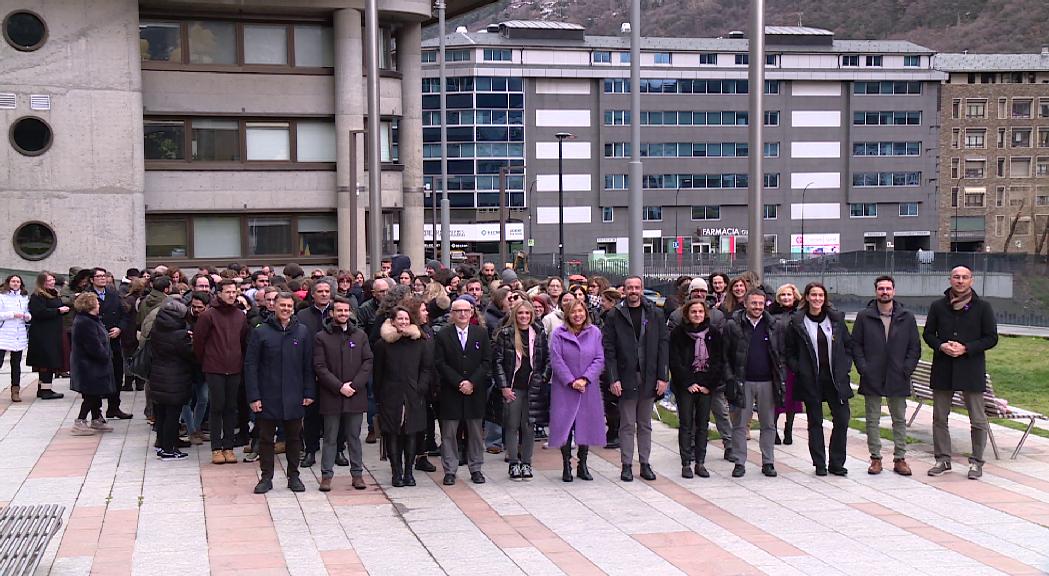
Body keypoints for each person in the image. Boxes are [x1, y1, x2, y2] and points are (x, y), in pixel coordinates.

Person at [923, 265, 998, 480]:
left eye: (965, 277)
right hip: (944, 368)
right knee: (939, 417)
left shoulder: (983, 307)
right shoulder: (938, 306)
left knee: (977, 418)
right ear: (950, 280)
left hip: (970, 368)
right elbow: (928, 334)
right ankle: (942, 459)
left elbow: (991, 337)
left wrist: (966, 348)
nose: (960, 281)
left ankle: (976, 461)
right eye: (956, 277)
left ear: (971, 281)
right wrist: (941, 346)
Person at [245, 292, 315, 494]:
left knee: (294, 438)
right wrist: (254, 396)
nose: (285, 309)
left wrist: (309, 391)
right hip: (267, 396)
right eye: (282, 305)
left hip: (294, 395)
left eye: (289, 306)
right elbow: (251, 366)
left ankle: (294, 476)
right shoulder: (261, 332)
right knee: (266, 439)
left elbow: (308, 365)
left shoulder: (302, 332)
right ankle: (266, 477)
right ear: (274, 306)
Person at [852, 275, 920, 476]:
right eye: (881, 288)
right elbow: (856, 345)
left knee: (899, 419)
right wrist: (863, 368)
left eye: (888, 288)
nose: (885, 292)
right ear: (875, 291)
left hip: (898, 374)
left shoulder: (906, 316)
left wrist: (906, 369)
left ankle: (900, 458)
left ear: (894, 291)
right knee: (872, 419)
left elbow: (914, 347)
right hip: (872, 374)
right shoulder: (864, 316)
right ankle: (875, 458)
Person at [603, 276, 669, 482]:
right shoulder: (614, 315)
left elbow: (662, 346)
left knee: (645, 424)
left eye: (637, 287)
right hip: (625, 376)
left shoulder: (655, 313)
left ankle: (645, 463)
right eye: (630, 288)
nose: (633, 291)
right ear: (624, 290)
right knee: (627, 424)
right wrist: (613, 379)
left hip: (649, 376)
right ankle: (626, 465)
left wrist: (663, 376)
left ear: (642, 289)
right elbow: (609, 350)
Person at [785, 282, 854, 477]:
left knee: (842, 419)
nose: (817, 299)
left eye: (820, 295)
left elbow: (848, 345)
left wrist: (845, 366)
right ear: (806, 297)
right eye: (813, 295)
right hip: (811, 379)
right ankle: (820, 463)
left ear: (825, 298)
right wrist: (799, 369)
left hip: (835, 379)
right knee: (815, 422)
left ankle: (836, 462)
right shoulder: (797, 321)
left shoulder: (836, 319)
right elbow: (789, 351)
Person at [724, 289, 787, 478]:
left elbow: (781, 353)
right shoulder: (733, 325)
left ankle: (768, 462)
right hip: (742, 381)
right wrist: (730, 378)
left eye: (761, 303)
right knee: (740, 425)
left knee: (768, 425)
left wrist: (781, 375)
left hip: (768, 382)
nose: (757, 307)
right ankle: (739, 462)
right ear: (745, 303)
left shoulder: (775, 325)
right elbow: (725, 356)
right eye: (754, 303)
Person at [313, 296, 374, 491]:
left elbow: (368, 362)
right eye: (339, 311)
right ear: (331, 313)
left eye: (346, 311)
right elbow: (320, 367)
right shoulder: (321, 337)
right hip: (332, 395)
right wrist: (339, 386)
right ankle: (326, 476)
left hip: (355, 395)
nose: (343, 314)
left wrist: (354, 385)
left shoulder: (360, 336)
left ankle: (357, 474)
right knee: (330, 437)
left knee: (354, 437)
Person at [434, 296, 491, 485]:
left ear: (472, 312)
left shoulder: (481, 333)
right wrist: (459, 382)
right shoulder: (443, 335)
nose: (463, 314)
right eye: (458, 311)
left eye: (466, 310)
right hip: (451, 391)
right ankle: (450, 469)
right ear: (452, 313)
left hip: (475, 392)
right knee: (449, 433)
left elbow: (486, 362)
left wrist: (472, 382)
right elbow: (440, 363)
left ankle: (476, 468)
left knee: (475, 433)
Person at [373, 306, 433, 487]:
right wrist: (379, 396)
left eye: (407, 319)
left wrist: (420, 388)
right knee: (392, 434)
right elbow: (378, 373)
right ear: (392, 321)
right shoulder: (382, 345)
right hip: (391, 395)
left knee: (412, 434)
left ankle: (409, 472)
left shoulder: (420, 342)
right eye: (400, 319)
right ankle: (396, 472)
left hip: (414, 395)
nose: (404, 322)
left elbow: (426, 368)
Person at [193, 279, 249, 465]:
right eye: (228, 292)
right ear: (219, 293)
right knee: (217, 407)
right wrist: (208, 360)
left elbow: (243, 340)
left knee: (231, 408)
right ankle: (216, 448)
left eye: (234, 292)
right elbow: (198, 343)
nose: (232, 295)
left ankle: (229, 447)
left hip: (234, 368)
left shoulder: (240, 315)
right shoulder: (208, 315)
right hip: (214, 368)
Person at [549, 298, 605, 482]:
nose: (577, 315)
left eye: (580, 311)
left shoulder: (594, 332)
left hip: (588, 387)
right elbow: (556, 360)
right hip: (565, 387)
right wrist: (571, 381)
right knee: (566, 426)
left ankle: (583, 464)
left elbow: (599, 359)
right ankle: (566, 464)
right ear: (567, 315)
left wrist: (585, 379)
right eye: (573, 312)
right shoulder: (558, 333)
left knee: (585, 425)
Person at [493, 299, 549, 480]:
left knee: (529, 425)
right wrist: (503, 386)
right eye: (520, 313)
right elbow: (498, 362)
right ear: (515, 315)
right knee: (512, 425)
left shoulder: (539, 333)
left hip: (533, 387)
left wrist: (543, 379)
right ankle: (513, 463)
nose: (524, 316)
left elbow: (547, 360)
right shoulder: (506, 334)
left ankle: (527, 462)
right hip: (513, 387)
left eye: (527, 313)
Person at [669, 299, 724, 479]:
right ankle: (686, 463)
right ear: (687, 314)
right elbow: (675, 361)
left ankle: (700, 462)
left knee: (703, 425)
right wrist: (688, 382)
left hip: (706, 385)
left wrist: (708, 384)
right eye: (694, 312)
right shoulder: (678, 333)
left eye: (700, 312)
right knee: (686, 424)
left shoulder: (713, 333)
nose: (697, 315)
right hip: (686, 385)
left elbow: (718, 361)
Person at [148, 300, 197, 460]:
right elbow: (190, 354)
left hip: (158, 376)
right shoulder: (179, 335)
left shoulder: (156, 329)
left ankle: (163, 443)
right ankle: (169, 449)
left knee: (162, 413)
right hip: (175, 379)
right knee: (172, 414)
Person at [296, 278, 335, 469]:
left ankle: (338, 450)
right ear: (312, 294)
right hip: (310, 372)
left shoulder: (338, 312)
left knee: (335, 413)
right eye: (320, 291)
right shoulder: (302, 315)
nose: (324, 294)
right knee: (310, 413)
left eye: (327, 291)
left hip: (335, 372)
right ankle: (310, 450)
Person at [88, 268, 132, 420]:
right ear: (92, 279)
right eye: (98, 276)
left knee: (117, 375)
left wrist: (119, 328)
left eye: (104, 276)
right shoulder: (87, 296)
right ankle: (96, 412)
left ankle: (114, 407)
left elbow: (124, 314)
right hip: (96, 342)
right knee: (98, 377)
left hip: (114, 341)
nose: (102, 279)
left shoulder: (113, 293)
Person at [69, 292, 116, 436]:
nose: (99, 304)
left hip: (94, 364)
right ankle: (80, 421)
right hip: (89, 365)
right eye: (96, 302)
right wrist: (105, 355)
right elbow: (92, 345)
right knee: (91, 394)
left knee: (95, 393)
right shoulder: (85, 322)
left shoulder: (92, 319)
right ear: (90, 305)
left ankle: (96, 418)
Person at [769, 284, 802, 446]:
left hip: (793, 363)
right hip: (775, 361)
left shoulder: (801, 314)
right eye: (782, 295)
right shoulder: (771, 314)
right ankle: (773, 429)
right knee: (774, 399)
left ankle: (788, 428)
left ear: (794, 296)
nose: (786, 298)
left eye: (789, 294)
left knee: (791, 399)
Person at [27, 272, 68, 400]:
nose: (52, 282)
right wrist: (58, 311)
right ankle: (46, 390)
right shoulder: (37, 296)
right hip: (43, 334)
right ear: (42, 282)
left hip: (52, 333)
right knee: (46, 361)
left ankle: (42, 388)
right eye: (49, 280)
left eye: (53, 279)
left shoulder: (53, 293)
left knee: (49, 360)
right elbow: (39, 312)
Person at [0, 275, 31, 402]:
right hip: (4, 333)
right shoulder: (2, 296)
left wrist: (27, 316)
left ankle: (15, 390)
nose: (15, 283)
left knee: (16, 364)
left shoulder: (24, 297)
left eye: (18, 281)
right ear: (8, 282)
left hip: (19, 334)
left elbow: (28, 311)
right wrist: (12, 314)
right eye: (13, 281)